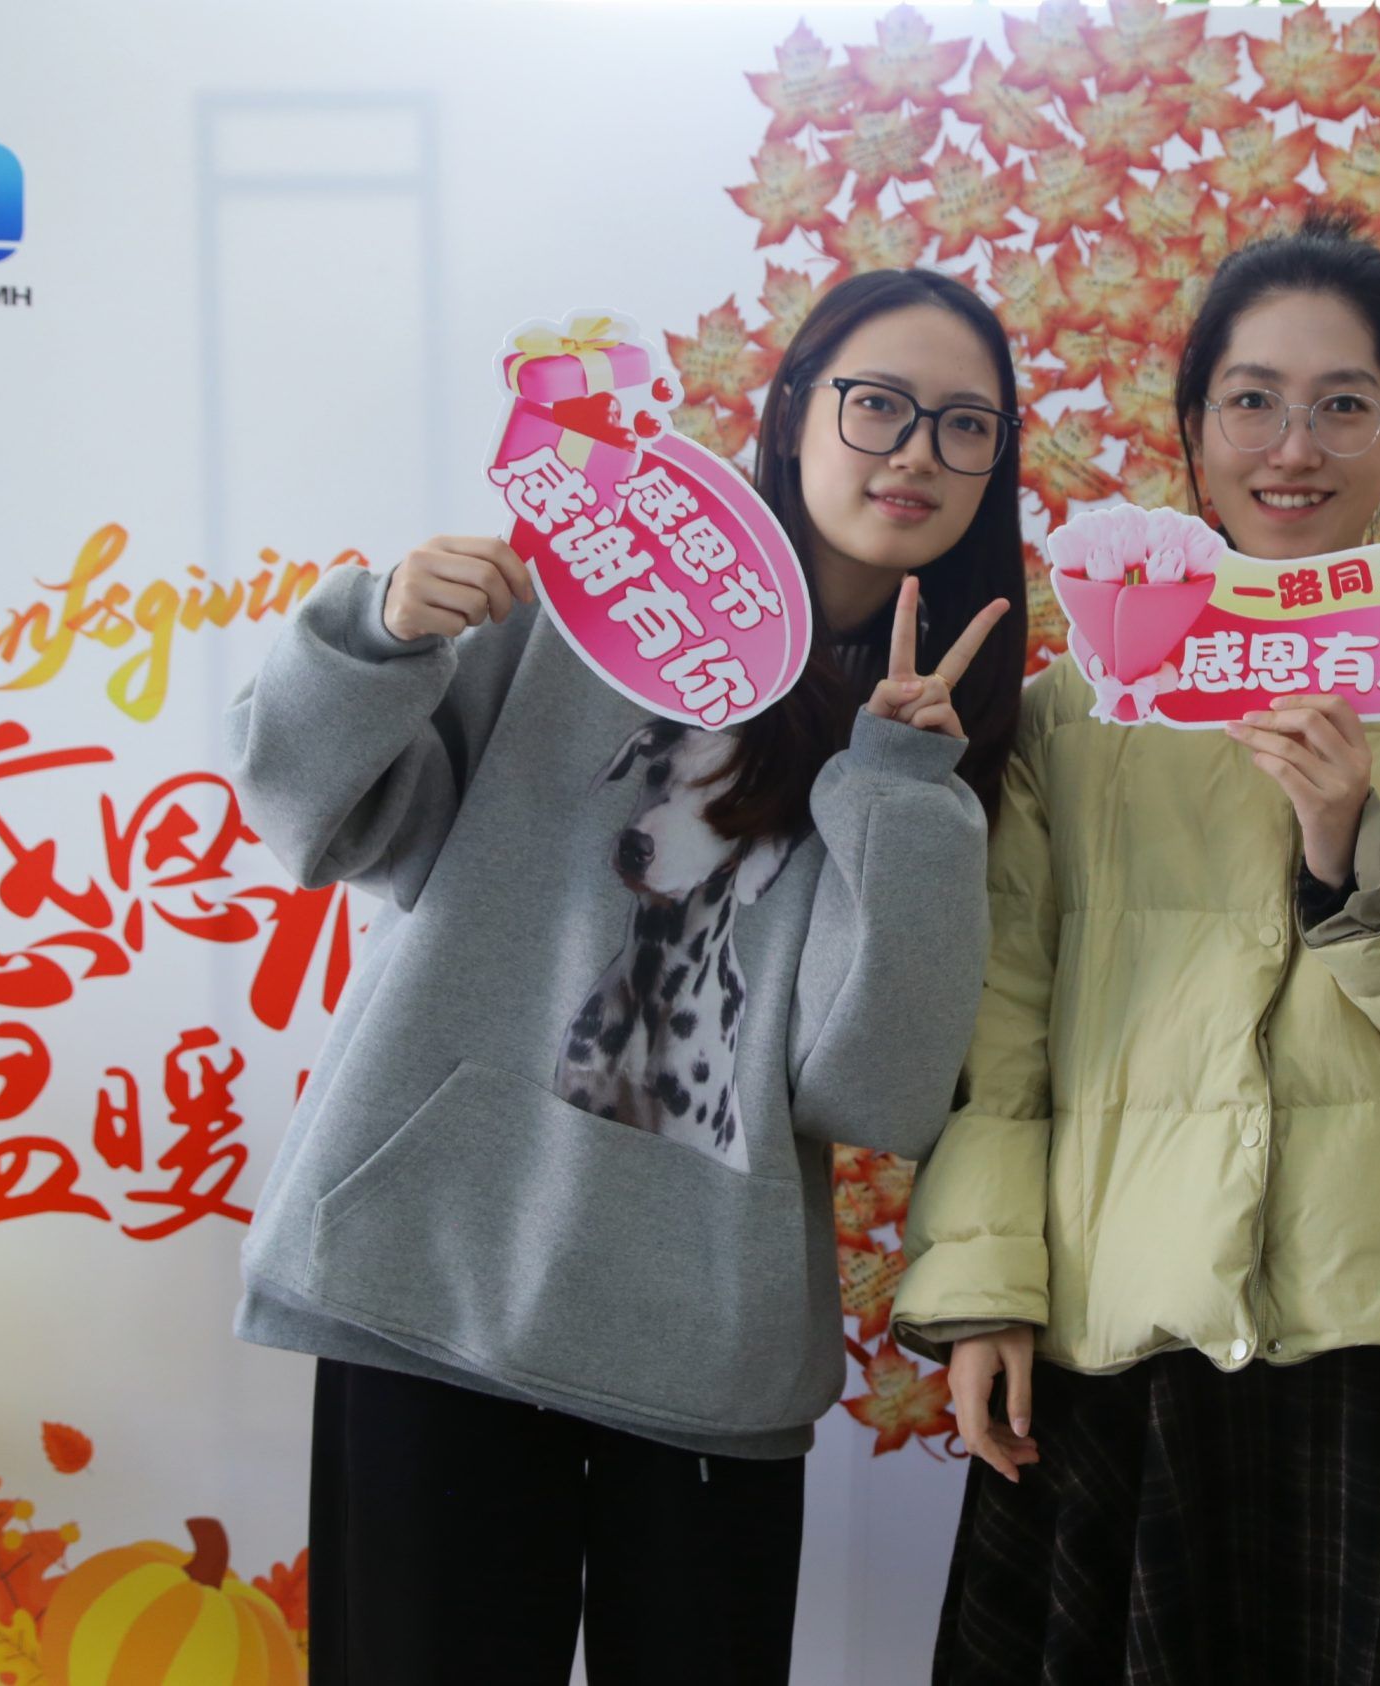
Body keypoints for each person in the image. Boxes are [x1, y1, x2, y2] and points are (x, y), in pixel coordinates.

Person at [225, 268, 1028, 1685]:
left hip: (701, 1364)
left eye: (965, 425)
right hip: (432, 1291)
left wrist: (904, 785)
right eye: (878, 404)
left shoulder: (943, 736)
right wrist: (382, 630)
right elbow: (311, 814)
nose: (916, 450)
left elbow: (873, 1089)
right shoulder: (596, 592)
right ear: (793, 410)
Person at [896, 208, 1380, 1685]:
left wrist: (1360, 858)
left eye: (1344, 404)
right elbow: (1003, 1024)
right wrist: (984, 1286)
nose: (1294, 448)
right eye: (1252, 401)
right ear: (1192, 429)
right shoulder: (1078, 708)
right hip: (1115, 1345)